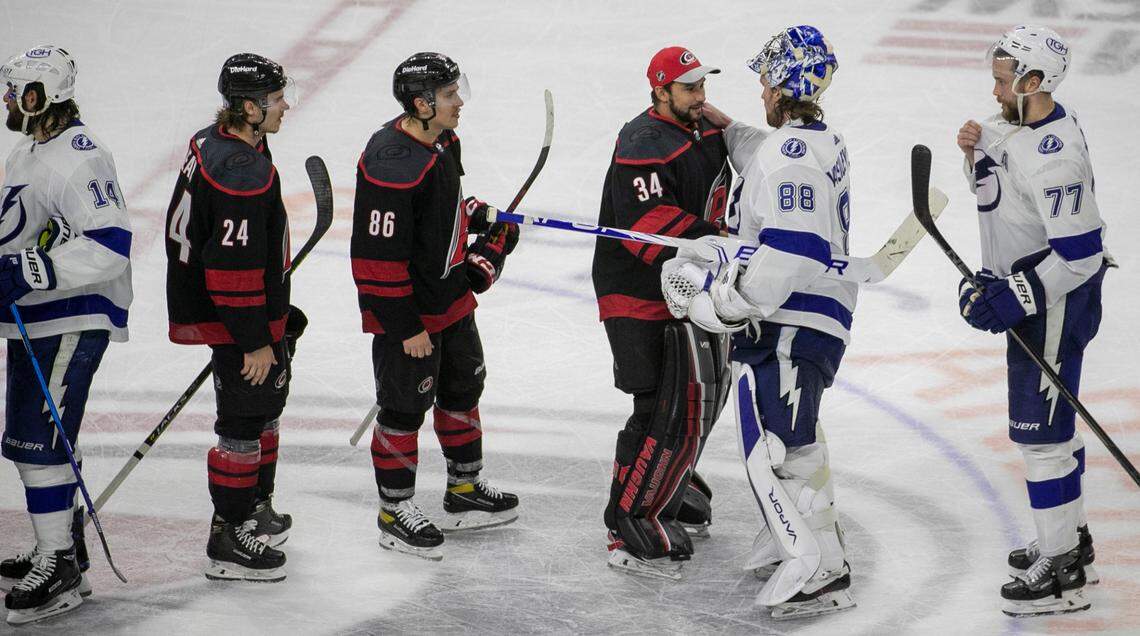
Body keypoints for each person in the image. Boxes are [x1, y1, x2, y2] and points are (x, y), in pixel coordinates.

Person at [663, 26, 855, 618]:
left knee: (771, 448)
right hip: (817, 317)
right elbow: (763, 152)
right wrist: (726, 126)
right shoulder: (818, 143)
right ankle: (808, 544)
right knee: (797, 444)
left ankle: (816, 570)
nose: (762, 90)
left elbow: (792, 250)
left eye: (768, 79)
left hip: (790, 323)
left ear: (784, 84)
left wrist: (729, 302)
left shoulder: (788, 156)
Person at [956, 25, 1107, 617]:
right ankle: (1069, 543)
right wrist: (973, 156)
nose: (994, 91)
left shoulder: (1057, 156)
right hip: (1033, 294)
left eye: (1003, 80)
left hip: (1055, 302)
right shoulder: (1011, 129)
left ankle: (1061, 573)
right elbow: (1000, 200)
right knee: (1056, 434)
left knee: (1041, 439)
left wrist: (1016, 294)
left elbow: (1081, 254)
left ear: (1034, 82)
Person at [351, 52, 519, 561]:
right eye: (449, 95)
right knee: (403, 410)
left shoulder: (443, 140)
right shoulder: (390, 165)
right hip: (411, 319)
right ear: (421, 103)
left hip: (449, 301)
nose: (459, 101)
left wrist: (478, 218)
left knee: (463, 389)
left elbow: (443, 209)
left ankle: (464, 489)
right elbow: (375, 260)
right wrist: (405, 328)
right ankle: (394, 512)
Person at [0, 44, 132, 625]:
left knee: (39, 439)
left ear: (41, 96)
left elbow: (109, 245)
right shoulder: (32, 147)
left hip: (74, 315)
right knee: (39, 437)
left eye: (16, 90)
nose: (7, 99)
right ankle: (60, 542)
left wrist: (24, 272)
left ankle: (60, 565)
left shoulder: (80, 157)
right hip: (41, 314)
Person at [591, 46, 733, 580]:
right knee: (659, 403)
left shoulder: (705, 129)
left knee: (700, 393)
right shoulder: (643, 142)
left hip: (689, 284)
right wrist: (719, 241)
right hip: (636, 292)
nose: (701, 97)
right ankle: (628, 516)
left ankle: (670, 480)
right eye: (690, 88)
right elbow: (648, 221)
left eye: (702, 86)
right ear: (660, 91)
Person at [164, 53, 306, 583]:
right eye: (274, 100)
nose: (284, 106)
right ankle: (228, 533)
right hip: (230, 315)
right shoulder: (239, 169)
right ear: (248, 108)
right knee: (244, 420)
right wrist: (253, 339)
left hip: (231, 307)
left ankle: (254, 509)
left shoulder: (215, 139)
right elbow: (230, 269)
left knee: (264, 408)